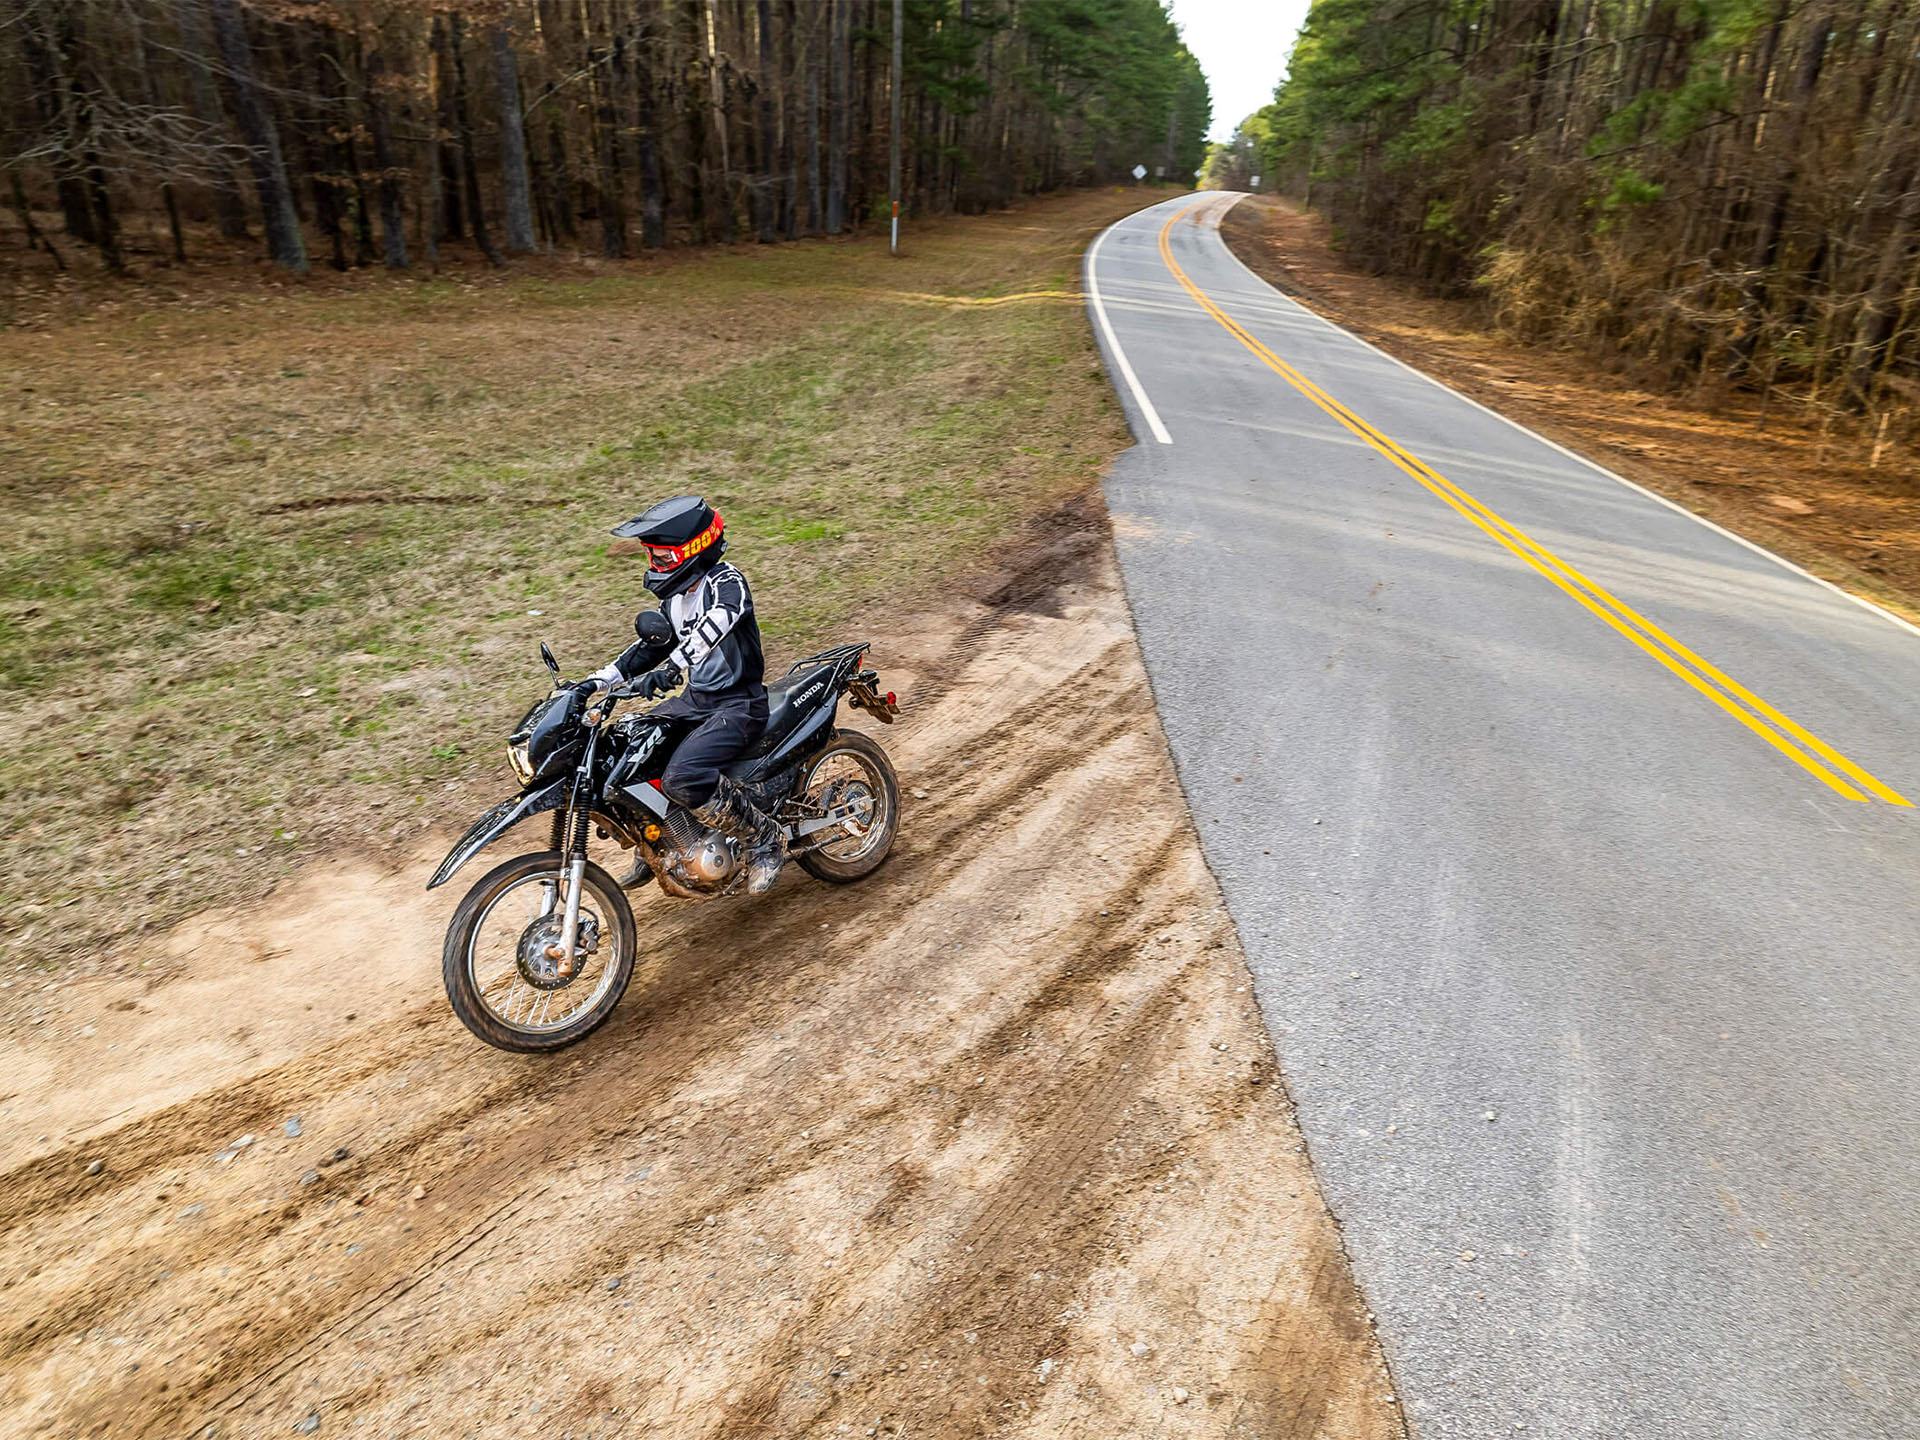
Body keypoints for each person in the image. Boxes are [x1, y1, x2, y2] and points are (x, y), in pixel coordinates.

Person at [585, 495, 786, 894]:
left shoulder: (728, 584)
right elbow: (649, 648)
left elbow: (713, 628)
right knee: (631, 751)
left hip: (739, 704)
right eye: (652, 558)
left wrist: (673, 667)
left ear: (691, 551)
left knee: (684, 776)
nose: (654, 566)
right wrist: (595, 682)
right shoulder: (673, 598)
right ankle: (657, 843)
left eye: (661, 557)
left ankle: (764, 839)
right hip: (697, 701)